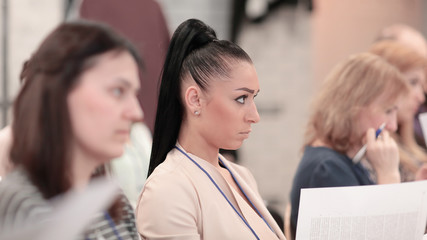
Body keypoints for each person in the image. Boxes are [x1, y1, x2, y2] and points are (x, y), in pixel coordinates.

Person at [135, 19, 286, 239]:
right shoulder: (167, 190)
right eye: (241, 98)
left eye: (254, 98)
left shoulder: (242, 176)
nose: (255, 116)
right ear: (195, 99)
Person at [0, 21, 143, 239]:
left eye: (134, 94)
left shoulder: (114, 202)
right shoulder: (23, 204)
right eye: (117, 91)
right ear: (62, 93)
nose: (136, 113)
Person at [289, 52, 409, 239]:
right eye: (388, 111)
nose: (393, 125)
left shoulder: (343, 161)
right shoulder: (326, 170)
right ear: (353, 108)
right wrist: (388, 175)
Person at [369, 40, 427, 181]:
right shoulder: (373, 150)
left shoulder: (410, 143)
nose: (420, 97)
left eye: (421, 84)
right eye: (413, 82)